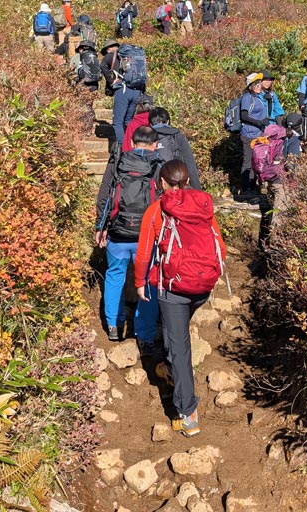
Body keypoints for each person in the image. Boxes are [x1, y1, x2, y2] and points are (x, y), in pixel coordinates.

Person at [133, 159, 227, 437]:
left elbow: (142, 253)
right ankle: (172, 370)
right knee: (179, 338)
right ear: (187, 181)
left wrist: (140, 283)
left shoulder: (157, 209)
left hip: (172, 288)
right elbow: (218, 244)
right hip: (202, 286)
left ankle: (187, 414)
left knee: (179, 348)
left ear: (162, 183)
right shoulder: (204, 205)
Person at [95, 126, 163, 347]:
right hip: (147, 236)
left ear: (132, 143)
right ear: (155, 144)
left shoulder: (119, 160)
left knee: (115, 275)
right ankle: (144, 334)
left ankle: (114, 325)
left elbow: (105, 193)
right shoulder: (158, 164)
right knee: (148, 281)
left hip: (118, 231)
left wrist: (100, 225)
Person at [150, 107, 201, 189]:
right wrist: (197, 190)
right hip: (177, 183)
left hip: (156, 185)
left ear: (150, 124)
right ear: (168, 121)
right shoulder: (177, 135)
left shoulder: (147, 137)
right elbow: (190, 164)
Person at [238, 72, 269, 200]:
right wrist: (259, 122)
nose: (258, 86)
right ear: (250, 86)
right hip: (249, 134)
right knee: (248, 161)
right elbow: (244, 115)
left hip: (257, 134)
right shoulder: (247, 97)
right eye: (255, 84)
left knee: (255, 161)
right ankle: (246, 189)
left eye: (259, 83)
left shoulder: (258, 98)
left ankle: (252, 187)